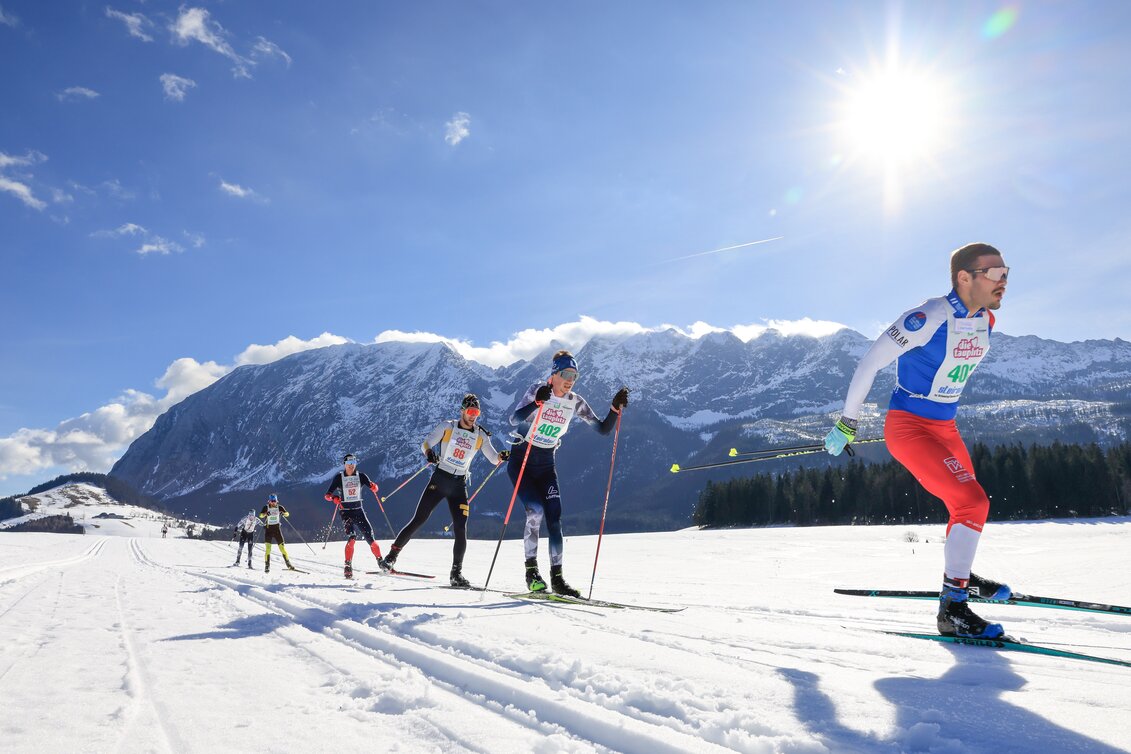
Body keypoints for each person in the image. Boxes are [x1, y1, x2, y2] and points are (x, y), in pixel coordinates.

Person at [824, 242, 1012, 639]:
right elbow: (870, 361)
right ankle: (952, 610)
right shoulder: (928, 316)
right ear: (965, 278)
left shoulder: (986, 322)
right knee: (972, 501)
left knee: (966, 508)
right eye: (994, 273)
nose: (1003, 281)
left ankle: (961, 577)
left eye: (1006, 272)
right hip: (909, 427)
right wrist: (847, 422)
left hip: (946, 426)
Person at [508, 350, 629, 596]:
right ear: (553, 375)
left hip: (546, 465)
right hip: (522, 461)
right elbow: (514, 419)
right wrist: (537, 402)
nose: (570, 380)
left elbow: (603, 429)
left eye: (574, 375)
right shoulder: (538, 390)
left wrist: (614, 409)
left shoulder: (575, 401)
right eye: (565, 374)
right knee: (536, 512)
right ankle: (532, 572)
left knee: (555, 518)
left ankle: (558, 579)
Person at [381, 394, 510, 587]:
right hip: (440, 479)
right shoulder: (447, 427)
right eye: (470, 411)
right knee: (419, 519)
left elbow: (493, 458)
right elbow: (425, 443)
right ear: (462, 411)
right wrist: (429, 453)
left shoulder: (480, 435)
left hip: (459, 485)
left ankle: (456, 574)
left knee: (460, 528)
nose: (473, 416)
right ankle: (391, 557)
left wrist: (501, 456)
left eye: (476, 412)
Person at [323, 453, 383, 579]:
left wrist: (374, 487)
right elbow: (327, 495)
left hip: (359, 511)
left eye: (353, 463)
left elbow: (374, 487)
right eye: (349, 464)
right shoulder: (339, 478)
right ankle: (347, 565)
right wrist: (334, 498)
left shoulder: (361, 476)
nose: (351, 466)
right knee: (352, 537)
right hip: (346, 512)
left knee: (370, 539)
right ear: (344, 464)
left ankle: (381, 562)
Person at [258, 494, 297, 573]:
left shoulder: (280, 507)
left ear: (277, 501)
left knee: (282, 548)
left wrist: (283, 513)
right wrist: (266, 514)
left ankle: (288, 564)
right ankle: (267, 566)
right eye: (272, 501)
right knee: (268, 549)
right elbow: (260, 515)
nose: (273, 503)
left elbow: (287, 514)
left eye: (274, 501)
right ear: (269, 501)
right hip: (268, 530)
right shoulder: (266, 507)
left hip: (277, 530)